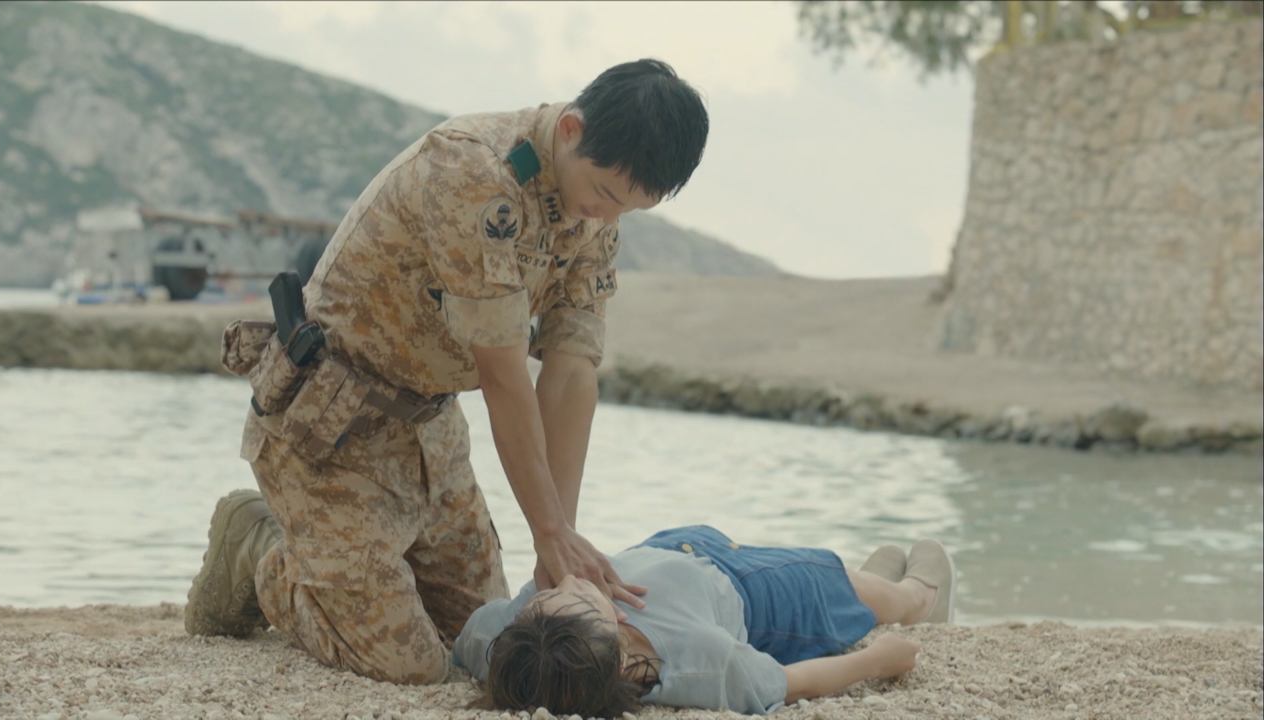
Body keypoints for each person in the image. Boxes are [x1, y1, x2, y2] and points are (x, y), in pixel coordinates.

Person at [183, 59, 710, 685]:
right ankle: (260, 548)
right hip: (331, 431)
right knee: (406, 665)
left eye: (627, 209)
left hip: (430, 432)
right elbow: (504, 375)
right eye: (606, 193)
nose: (605, 216)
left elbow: (570, 373)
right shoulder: (473, 172)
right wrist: (546, 530)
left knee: (480, 641)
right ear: (571, 130)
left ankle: (359, 564)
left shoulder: (593, 213)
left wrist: (560, 543)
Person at [454, 527, 956, 716]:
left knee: (855, 585)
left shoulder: (500, 639)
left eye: (541, 599)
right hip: (751, 590)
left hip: (671, 545)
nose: (567, 581)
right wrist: (878, 660)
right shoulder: (700, 662)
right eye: (582, 601)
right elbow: (789, 682)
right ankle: (917, 598)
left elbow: (468, 640)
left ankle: (867, 586)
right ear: (617, 651)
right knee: (865, 590)